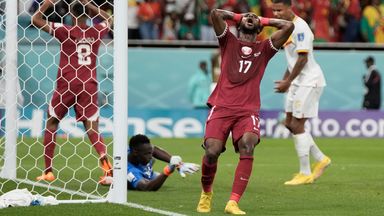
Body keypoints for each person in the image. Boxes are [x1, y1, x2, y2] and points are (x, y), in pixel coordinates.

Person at [196, 8, 294, 214]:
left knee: (248, 147)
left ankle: (233, 202)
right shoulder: (228, 41)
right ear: (238, 24)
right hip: (222, 107)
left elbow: (288, 25)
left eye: (254, 18)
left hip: (247, 110)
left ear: (259, 28)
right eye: (245, 17)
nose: (250, 18)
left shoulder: (265, 48)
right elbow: (215, 14)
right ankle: (206, 193)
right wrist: (244, 17)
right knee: (212, 152)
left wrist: (261, 19)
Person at [31, 0, 114, 185]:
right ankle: (107, 167)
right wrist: (90, 5)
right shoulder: (96, 31)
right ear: (88, 14)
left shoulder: (64, 30)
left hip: (67, 83)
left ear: (70, 12)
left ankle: (48, 171)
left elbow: (35, 19)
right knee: (92, 129)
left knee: (52, 123)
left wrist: (47, 3)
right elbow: (109, 18)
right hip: (89, 84)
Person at [271, 0, 331, 186]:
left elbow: (303, 59)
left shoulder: (301, 28)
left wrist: (288, 82)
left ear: (290, 8)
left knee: (297, 124)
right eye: (274, 10)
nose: (276, 14)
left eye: (279, 10)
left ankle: (305, 172)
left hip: (309, 82)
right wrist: (286, 81)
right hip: (297, 82)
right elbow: (292, 60)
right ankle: (321, 159)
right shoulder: (287, 29)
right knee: (289, 123)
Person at [127, 134, 200, 191]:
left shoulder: (139, 150)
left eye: (150, 153)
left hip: (148, 173)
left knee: (157, 176)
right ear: (135, 152)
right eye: (147, 154)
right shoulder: (129, 170)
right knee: (155, 180)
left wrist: (176, 162)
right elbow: (145, 187)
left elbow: (154, 149)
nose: (150, 156)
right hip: (142, 178)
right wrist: (166, 172)